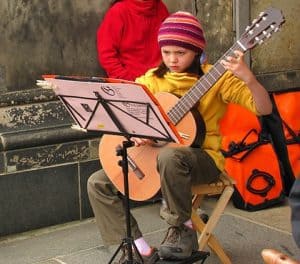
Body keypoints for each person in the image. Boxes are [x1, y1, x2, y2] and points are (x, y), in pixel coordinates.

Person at [87, 11, 273, 263]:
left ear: (196, 51)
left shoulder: (217, 79)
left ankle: (183, 229)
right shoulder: (152, 80)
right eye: (166, 52)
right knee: (97, 183)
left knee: (171, 155)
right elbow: (128, 113)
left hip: (202, 159)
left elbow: (264, 109)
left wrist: (249, 78)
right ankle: (138, 250)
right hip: (155, 159)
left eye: (180, 53)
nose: (172, 59)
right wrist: (139, 132)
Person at [96, 0, 169, 81]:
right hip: (129, 83)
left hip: (161, 79)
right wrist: (127, 80)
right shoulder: (119, 11)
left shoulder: (160, 7)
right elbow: (107, 54)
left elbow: (171, 46)